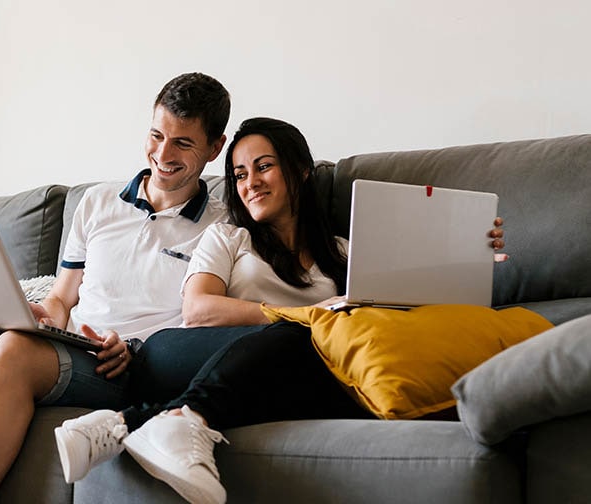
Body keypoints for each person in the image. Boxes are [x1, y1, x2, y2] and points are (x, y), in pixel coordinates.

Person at [53, 117, 506, 504]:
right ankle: (179, 420)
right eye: (240, 173)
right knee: (304, 337)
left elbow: (402, 313)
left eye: (264, 167)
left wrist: (471, 252)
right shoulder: (229, 238)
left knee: (330, 365)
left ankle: (126, 425)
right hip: (181, 352)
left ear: (301, 170)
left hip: (293, 368)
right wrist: (302, 315)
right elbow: (199, 309)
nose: (250, 182)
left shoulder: (345, 254)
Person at [0, 73, 240, 504]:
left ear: (215, 148)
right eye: (156, 135)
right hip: (66, 347)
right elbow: (63, 297)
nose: (162, 154)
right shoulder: (98, 203)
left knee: (13, 353)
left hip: (127, 365)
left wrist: (135, 347)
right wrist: (40, 313)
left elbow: (205, 324)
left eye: (183, 143)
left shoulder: (223, 225)